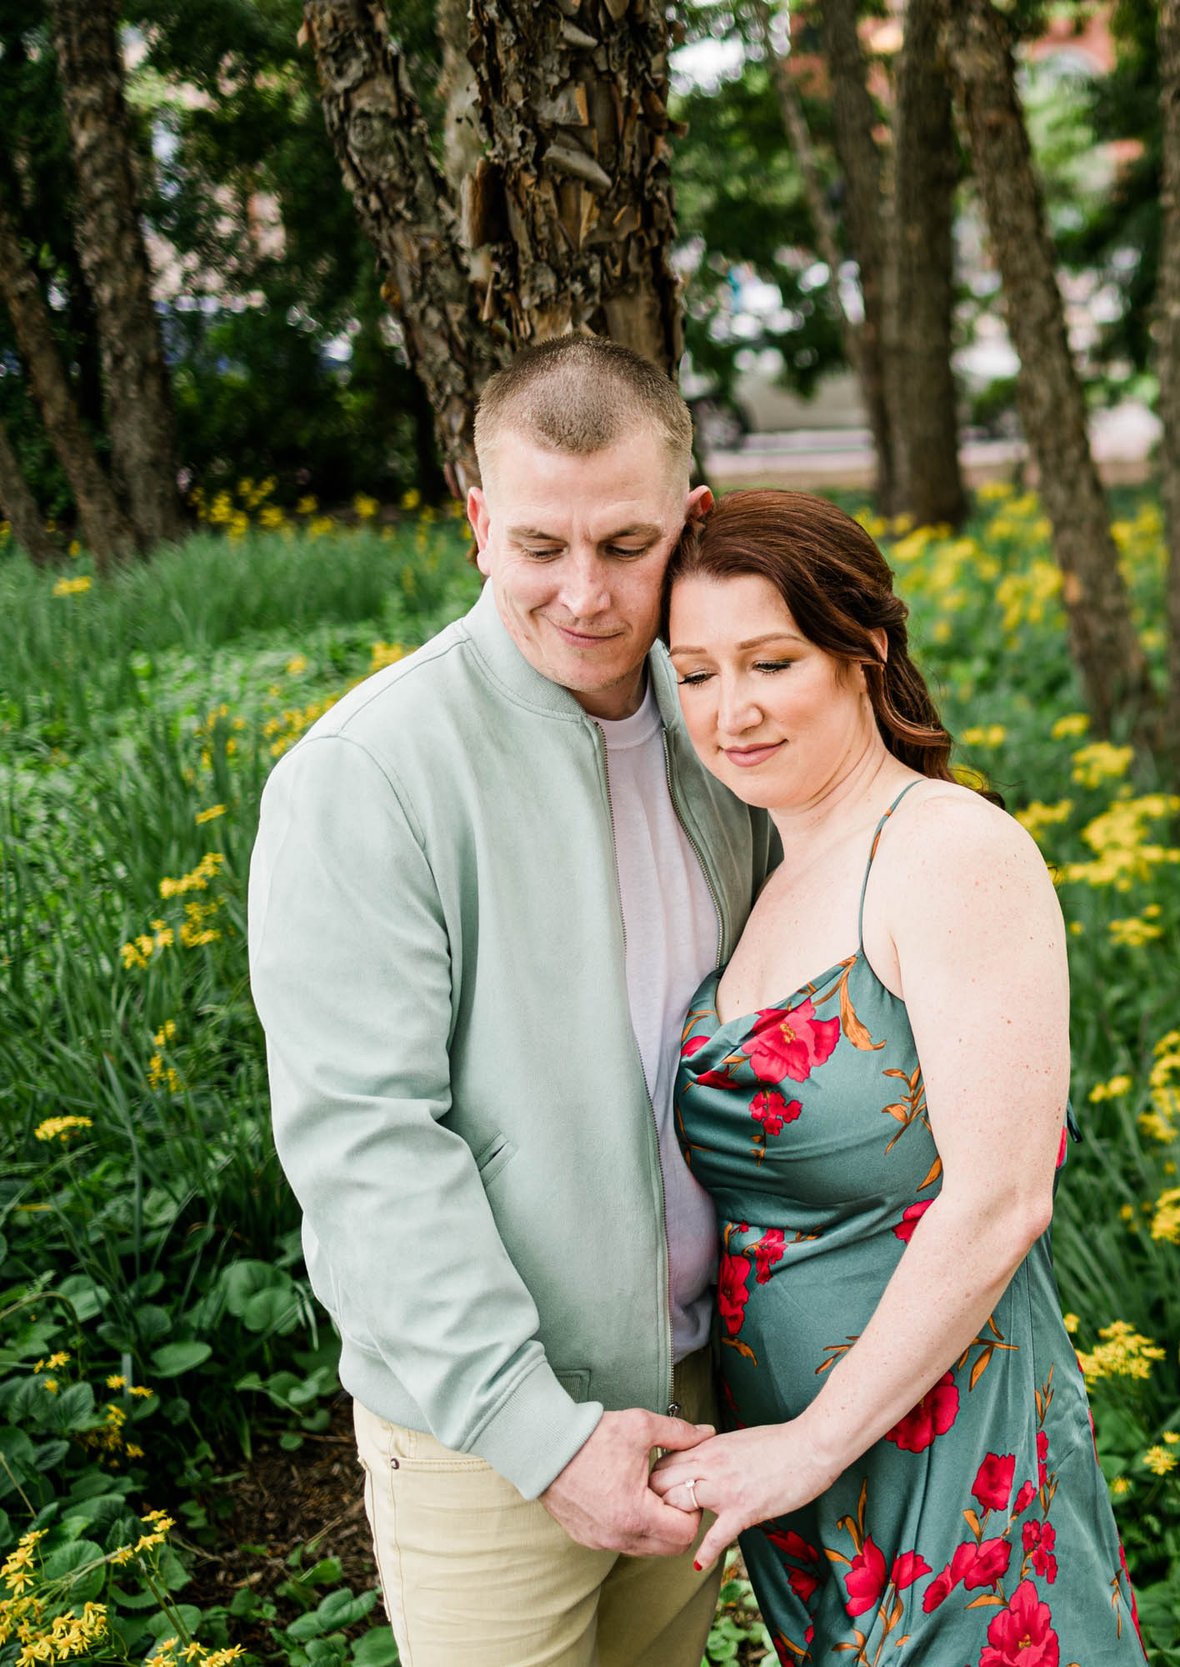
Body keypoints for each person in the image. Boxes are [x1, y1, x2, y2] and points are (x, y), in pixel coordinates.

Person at [248, 337, 776, 1665]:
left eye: (627, 542)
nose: (586, 594)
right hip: (487, 1430)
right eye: (540, 543)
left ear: (691, 524)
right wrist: (539, 1430)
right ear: (478, 519)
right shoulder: (366, 774)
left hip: (698, 1390)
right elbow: (368, 1139)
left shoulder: (729, 731)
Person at [647, 490, 1148, 1667]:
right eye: (699, 672)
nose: (733, 709)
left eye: (770, 661)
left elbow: (1002, 1197)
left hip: (937, 1442)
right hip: (809, 1472)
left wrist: (811, 1441)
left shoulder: (946, 851)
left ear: (863, 649)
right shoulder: (768, 861)